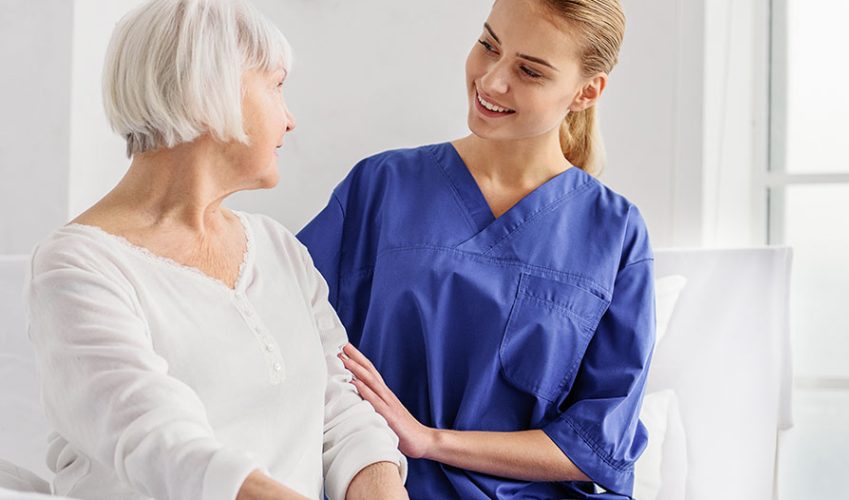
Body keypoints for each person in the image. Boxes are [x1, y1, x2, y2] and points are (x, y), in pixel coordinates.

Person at [25, 1, 407, 498]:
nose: (290, 119)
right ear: (213, 89)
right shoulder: (78, 267)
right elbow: (162, 444)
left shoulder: (277, 247)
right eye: (276, 85)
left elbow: (342, 412)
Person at [298, 0, 654, 497]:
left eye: (529, 71)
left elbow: (596, 443)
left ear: (586, 92)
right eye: (489, 45)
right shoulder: (381, 186)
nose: (491, 82)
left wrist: (430, 441)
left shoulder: (615, 234)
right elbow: (281, 332)